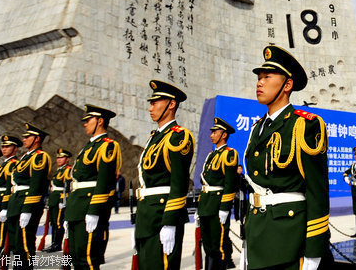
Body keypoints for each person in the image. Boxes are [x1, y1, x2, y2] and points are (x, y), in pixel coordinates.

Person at [244, 46, 329, 270]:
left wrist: (313, 252)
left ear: (287, 85)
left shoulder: (304, 125)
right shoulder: (257, 129)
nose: (259, 83)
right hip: (258, 234)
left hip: (289, 238)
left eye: (267, 77)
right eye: (259, 77)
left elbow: (317, 192)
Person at [134, 80, 195, 270]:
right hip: (147, 215)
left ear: (171, 104)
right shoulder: (155, 137)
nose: (150, 107)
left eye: (155, 103)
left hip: (162, 215)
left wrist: (169, 222)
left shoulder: (178, 136)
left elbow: (179, 183)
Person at [65, 104, 121, 269]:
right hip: (77, 208)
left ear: (100, 121)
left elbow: (105, 181)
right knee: (75, 258)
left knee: (87, 259)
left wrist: (94, 211)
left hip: (89, 208)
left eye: (89, 120)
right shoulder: (88, 147)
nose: (85, 123)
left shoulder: (107, 146)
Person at [6, 123, 51, 270]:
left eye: (27, 137)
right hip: (16, 202)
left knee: (25, 243)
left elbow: (36, 185)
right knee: (15, 244)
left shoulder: (40, 157)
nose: (24, 140)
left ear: (37, 139)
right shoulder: (26, 157)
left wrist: (27, 209)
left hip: (26, 203)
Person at [197, 117, 239, 270]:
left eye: (215, 132)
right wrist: (199, 208)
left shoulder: (229, 154)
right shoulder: (211, 155)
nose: (211, 135)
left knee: (219, 246)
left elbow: (229, 184)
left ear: (224, 135)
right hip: (206, 205)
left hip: (216, 206)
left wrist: (224, 208)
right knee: (208, 245)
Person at [0, 135, 22, 262]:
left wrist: (4, 208)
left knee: (1, 238)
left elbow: (9, 187)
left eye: (7, 146)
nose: (4, 149)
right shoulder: (4, 164)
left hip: (5, 204)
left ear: (15, 149)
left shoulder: (12, 164)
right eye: (3, 146)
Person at [43, 148, 72, 253]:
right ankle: (53, 243)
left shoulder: (68, 170)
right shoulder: (59, 170)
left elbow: (68, 188)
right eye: (58, 157)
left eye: (62, 157)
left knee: (59, 223)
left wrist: (64, 202)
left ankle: (57, 244)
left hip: (60, 199)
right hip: (54, 199)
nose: (59, 159)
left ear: (67, 159)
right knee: (53, 223)